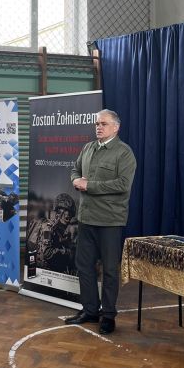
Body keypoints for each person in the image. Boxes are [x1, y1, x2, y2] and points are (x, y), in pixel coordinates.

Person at [65, 109, 136, 334]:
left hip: (110, 221)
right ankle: (90, 310)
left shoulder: (124, 153)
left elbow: (123, 184)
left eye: (103, 124)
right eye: (97, 123)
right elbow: (75, 169)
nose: (98, 127)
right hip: (86, 218)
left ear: (116, 127)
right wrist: (76, 180)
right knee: (84, 266)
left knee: (110, 270)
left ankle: (109, 315)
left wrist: (89, 185)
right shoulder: (88, 148)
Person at [27, 193, 77, 274]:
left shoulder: (58, 229)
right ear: (58, 212)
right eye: (65, 212)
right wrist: (67, 252)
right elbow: (47, 253)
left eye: (70, 214)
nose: (68, 216)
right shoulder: (48, 228)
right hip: (45, 271)